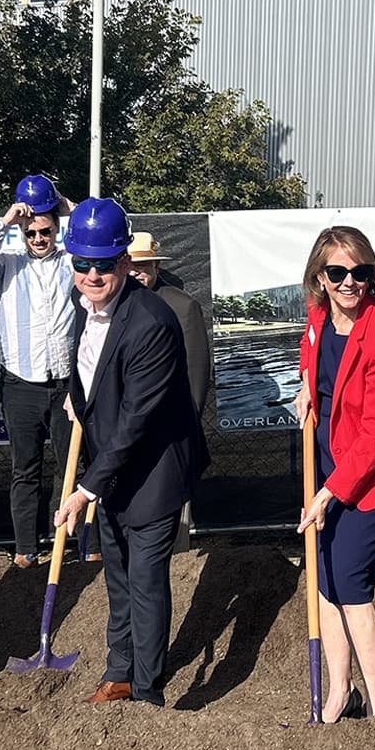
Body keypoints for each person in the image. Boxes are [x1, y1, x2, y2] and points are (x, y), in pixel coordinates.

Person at [52, 198, 208, 707]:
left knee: (144, 582)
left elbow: (138, 419)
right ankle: (118, 672)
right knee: (116, 575)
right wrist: (80, 404)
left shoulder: (152, 321)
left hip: (153, 472)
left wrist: (86, 488)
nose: (92, 275)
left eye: (103, 264)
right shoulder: (85, 310)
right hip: (112, 469)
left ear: (125, 262)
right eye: (82, 263)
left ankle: (147, 692)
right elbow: (89, 382)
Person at [291, 226, 375, 721]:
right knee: (323, 576)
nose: (350, 283)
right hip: (329, 460)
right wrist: (306, 386)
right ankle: (337, 691)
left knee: (349, 581)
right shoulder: (317, 315)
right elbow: (310, 353)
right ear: (320, 277)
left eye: (360, 273)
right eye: (338, 273)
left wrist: (330, 493)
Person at [0, 174, 78, 570]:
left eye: (45, 231)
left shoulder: (72, 263)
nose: (39, 239)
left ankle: (82, 546)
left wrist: (70, 208)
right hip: (21, 387)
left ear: (56, 228)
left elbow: (113, 246)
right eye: (31, 233)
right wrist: (5, 221)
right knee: (24, 470)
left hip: (66, 384)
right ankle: (27, 549)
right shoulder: (6, 266)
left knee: (74, 468)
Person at [127, 230, 215, 547]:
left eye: (146, 266)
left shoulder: (182, 307)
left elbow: (196, 374)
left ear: (156, 268)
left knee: (169, 533)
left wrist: (181, 430)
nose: (138, 272)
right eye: (132, 265)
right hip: (125, 438)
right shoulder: (111, 307)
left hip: (171, 439)